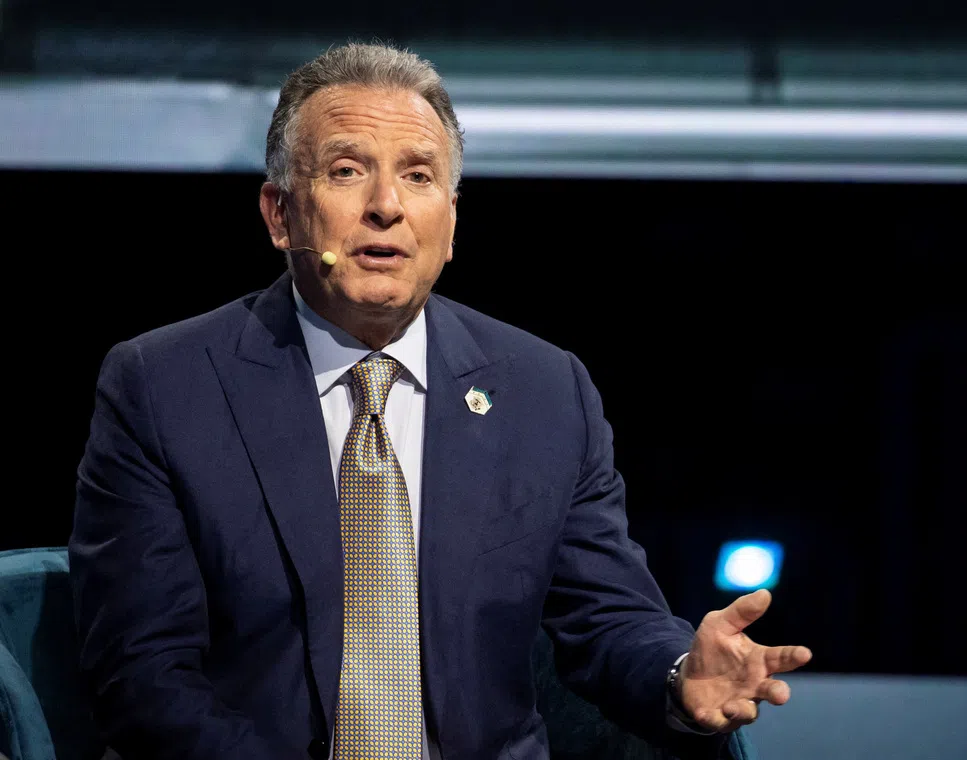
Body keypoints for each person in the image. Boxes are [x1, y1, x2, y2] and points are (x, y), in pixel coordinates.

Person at [69, 43, 812, 760]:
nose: (386, 206)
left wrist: (680, 677)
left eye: (419, 176)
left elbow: (607, 617)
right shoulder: (165, 386)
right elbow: (143, 676)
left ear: (450, 225)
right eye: (347, 170)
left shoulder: (545, 392)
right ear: (281, 215)